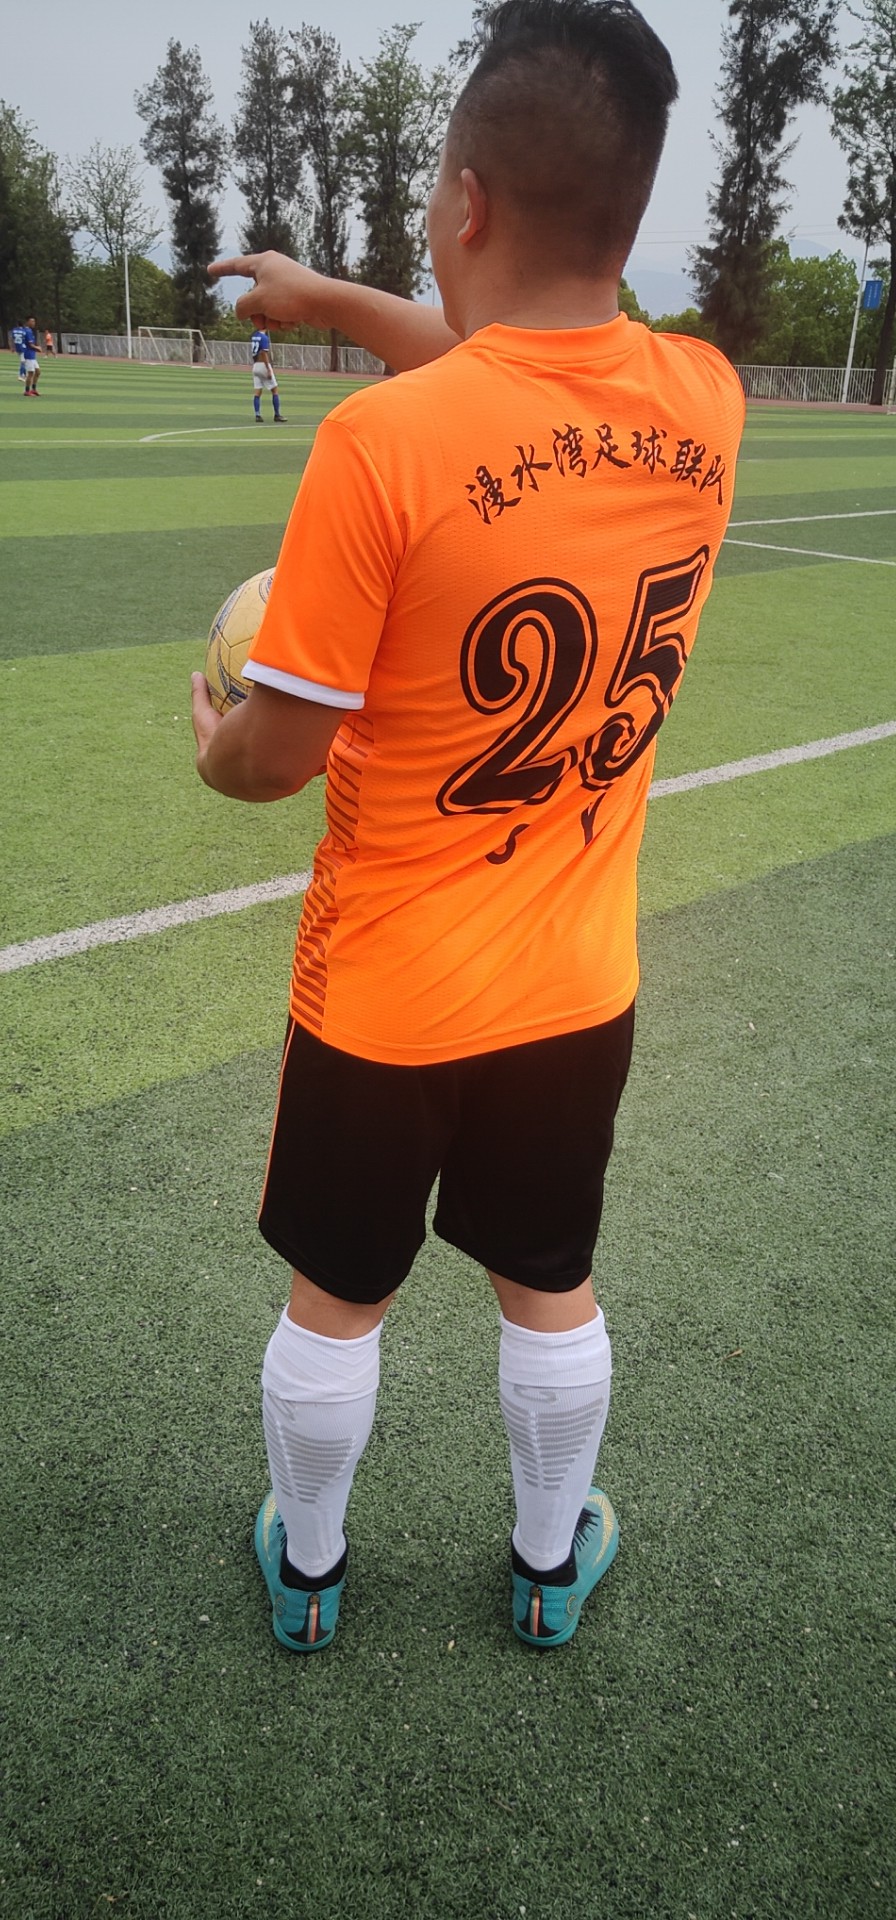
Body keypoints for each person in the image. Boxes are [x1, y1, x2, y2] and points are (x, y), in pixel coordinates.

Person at [194, 0, 745, 1655]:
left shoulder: (380, 448)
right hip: (575, 986)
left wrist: (218, 741)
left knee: (337, 1300)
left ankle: (308, 1578)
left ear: (465, 200)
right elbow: (528, 387)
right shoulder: (706, 401)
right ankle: (545, 1565)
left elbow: (278, 762)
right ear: (629, 213)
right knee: (545, 1279)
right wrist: (332, 302)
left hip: (387, 991)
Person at [249, 323, 284, 423]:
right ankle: (277, 415)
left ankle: (257, 415)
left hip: (255, 366)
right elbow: (264, 353)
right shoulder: (264, 337)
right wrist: (268, 369)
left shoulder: (254, 336)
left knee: (257, 392)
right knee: (274, 390)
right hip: (263, 365)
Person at [22, 318, 40, 396]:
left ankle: (33, 389)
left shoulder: (29, 330)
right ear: (27, 322)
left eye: (34, 321)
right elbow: (30, 345)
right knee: (31, 373)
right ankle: (27, 391)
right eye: (32, 321)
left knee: (38, 372)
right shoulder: (28, 331)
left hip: (32, 355)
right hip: (28, 355)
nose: (34, 323)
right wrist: (37, 348)